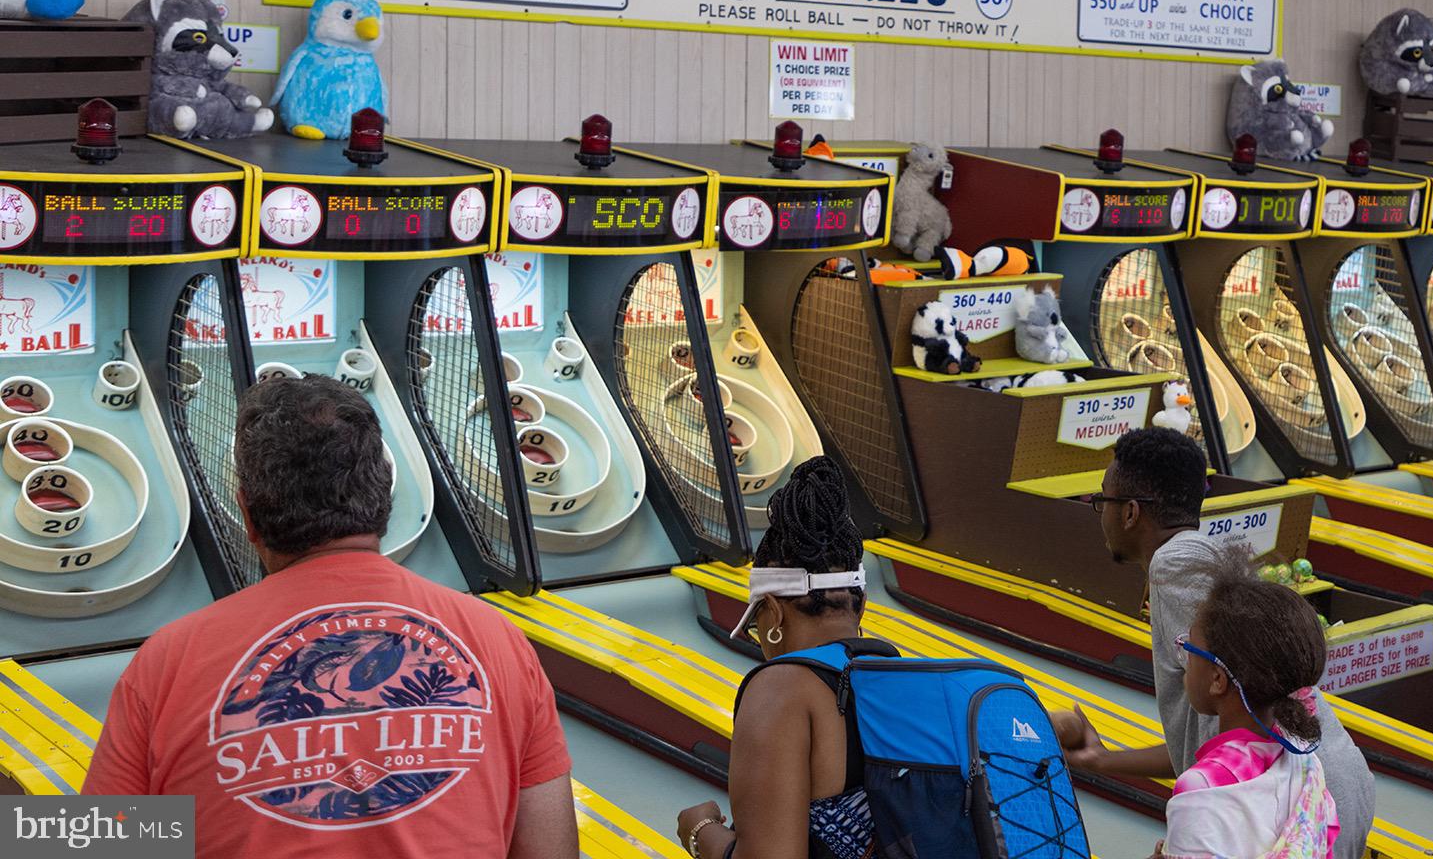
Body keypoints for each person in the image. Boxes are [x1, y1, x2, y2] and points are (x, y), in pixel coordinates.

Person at [84, 375, 577, 859]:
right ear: (383, 498)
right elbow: (548, 847)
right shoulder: (498, 639)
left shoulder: (169, 660)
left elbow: (104, 842)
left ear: (249, 518)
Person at [1050, 427, 1375, 858]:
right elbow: (1214, 732)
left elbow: (1228, 710)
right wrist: (1103, 761)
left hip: (1301, 808)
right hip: (1329, 788)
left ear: (1129, 512)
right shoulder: (1199, 555)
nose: (1099, 513)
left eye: (1101, 500)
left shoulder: (1174, 566)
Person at [675, 457, 886, 859]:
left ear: (771, 611)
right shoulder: (897, 671)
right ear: (859, 607)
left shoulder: (780, 689)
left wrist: (699, 830)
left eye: (756, 624)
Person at [1161, 543, 1337, 858]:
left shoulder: (1201, 788)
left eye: (1189, 646)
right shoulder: (1305, 760)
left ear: (1217, 678)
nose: (1184, 656)